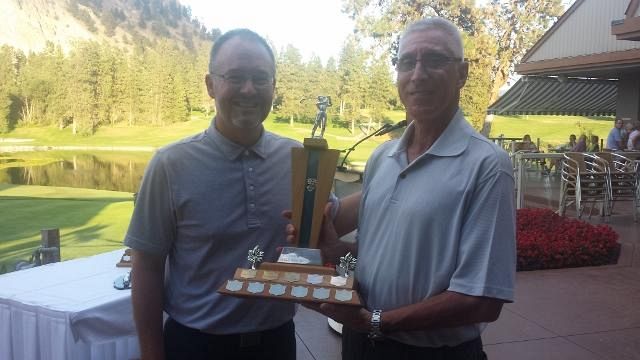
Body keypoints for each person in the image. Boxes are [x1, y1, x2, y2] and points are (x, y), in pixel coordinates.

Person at [292, 17, 516, 359]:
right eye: (407, 61)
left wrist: (377, 321)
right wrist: (335, 250)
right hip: (360, 343)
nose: (418, 74)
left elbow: (482, 300)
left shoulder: (486, 165)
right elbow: (374, 259)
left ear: (462, 74)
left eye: (436, 60)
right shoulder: (383, 157)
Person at [125, 29, 299, 360]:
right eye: (235, 77)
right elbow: (146, 266)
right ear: (210, 85)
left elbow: (325, 224)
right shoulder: (170, 164)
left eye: (260, 78)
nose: (249, 89)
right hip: (195, 345)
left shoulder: (297, 159)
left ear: (274, 87)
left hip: (278, 343)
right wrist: (151, 354)